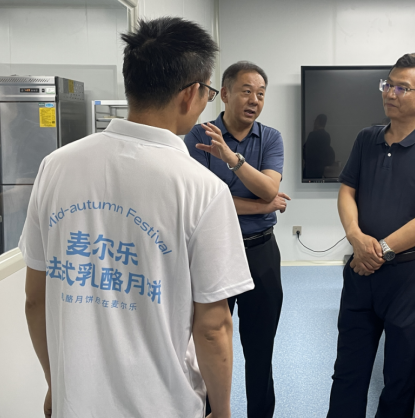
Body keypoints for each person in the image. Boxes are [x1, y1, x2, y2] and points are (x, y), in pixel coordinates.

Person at [20, 17, 254, 418]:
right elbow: (213, 327)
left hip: (75, 404)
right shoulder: (202, 188)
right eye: (209, 92)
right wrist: (223, 410)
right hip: (165, 405)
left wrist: (55, 384)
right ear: (190, 95)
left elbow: (35, 299)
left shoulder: (55, 166)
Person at [327, 53, 415, 418]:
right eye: (388, 85)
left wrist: (380, 250)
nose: (390, 93)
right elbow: (347, 191)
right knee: (348, 371)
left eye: (402, 88)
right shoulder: (366, 139)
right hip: (360, 271)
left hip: (409, 277)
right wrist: (355, 236)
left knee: (399, 377)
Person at [184, 61, 286, 418]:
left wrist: (231, 158)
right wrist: (262, 205)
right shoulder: (199, 136)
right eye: (246, 91)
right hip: (214, 252)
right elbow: (202, 201)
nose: (254, 100)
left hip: (261, 251)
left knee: (260, 350)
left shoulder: (270, 137)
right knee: (208, 342)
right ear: (224, 94)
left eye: (261, 94)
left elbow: (270, 188)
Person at [303, 113, 335, 179]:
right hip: (321, 169)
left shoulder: (312, 135)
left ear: (317, 121)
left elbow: (305, 150)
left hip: (310, 169)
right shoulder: (327, 136)